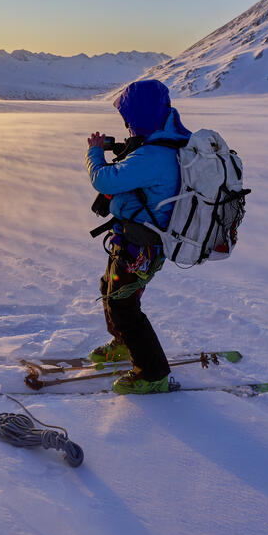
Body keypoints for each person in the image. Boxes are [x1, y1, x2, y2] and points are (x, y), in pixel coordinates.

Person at [85, 79, 191, 394]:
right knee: (111, 290)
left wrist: (94, 153)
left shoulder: (154, 155)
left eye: (129, 120)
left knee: (123, 305)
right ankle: (123, 343)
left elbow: (105, 181)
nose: (128, 127)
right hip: (134, 240)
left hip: (141, 244)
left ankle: (152, 373)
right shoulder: (167, 142)